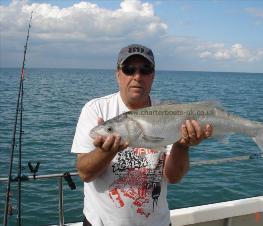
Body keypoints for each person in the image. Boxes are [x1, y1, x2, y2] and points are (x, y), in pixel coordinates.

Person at [71, 44, 213, 226]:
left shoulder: (167, 113)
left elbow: (173, 177)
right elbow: (84, 173)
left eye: (145, 70)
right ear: (118, 74)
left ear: (153, 75)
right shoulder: (96, 109)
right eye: (129, 69)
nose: (137, 76)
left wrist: (182, 144)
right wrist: (106, 151)